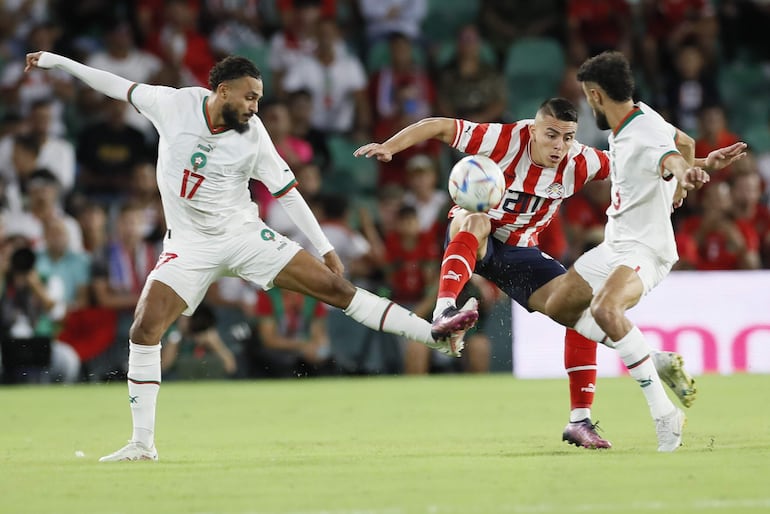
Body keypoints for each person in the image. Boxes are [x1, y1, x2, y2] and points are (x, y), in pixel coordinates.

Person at [25, 50, 475, 462]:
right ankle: (142, 443)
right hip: (188, 244)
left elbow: (288, 192)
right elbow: (112, 82)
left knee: (337, 288)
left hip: (243, 234)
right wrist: (56, 62)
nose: (255, 107)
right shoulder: (172, 103)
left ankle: (433, 335)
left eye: (259, 99)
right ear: (223, 90)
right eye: (250, 97)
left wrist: (327, 248)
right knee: (144, 328)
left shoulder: (253, 134)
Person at [355, 93, 743, 450]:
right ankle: (444, 311)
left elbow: (641, 163)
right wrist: (390, 146)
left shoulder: (581, 161)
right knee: (474, 220)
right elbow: (439, 125)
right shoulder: (504, 140)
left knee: (581, 310)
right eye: (551, 135)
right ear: (534, 128)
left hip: (522, 253)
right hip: (478, 236)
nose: (559, 145)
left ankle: (584, 417)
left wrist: (703, 162)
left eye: (568, 137)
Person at [544, 51, 747, 451]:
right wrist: (690, 173)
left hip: (646, 248)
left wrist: (681, 174)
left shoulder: (641, 132)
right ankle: (653, 357)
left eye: (588, 97)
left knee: (605, 309)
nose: (588, 104)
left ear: (596, 94)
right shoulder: (638, 117)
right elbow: (684, 143)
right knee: (559, 307)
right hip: (615, 243)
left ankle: (665, 414)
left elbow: (670, 155)